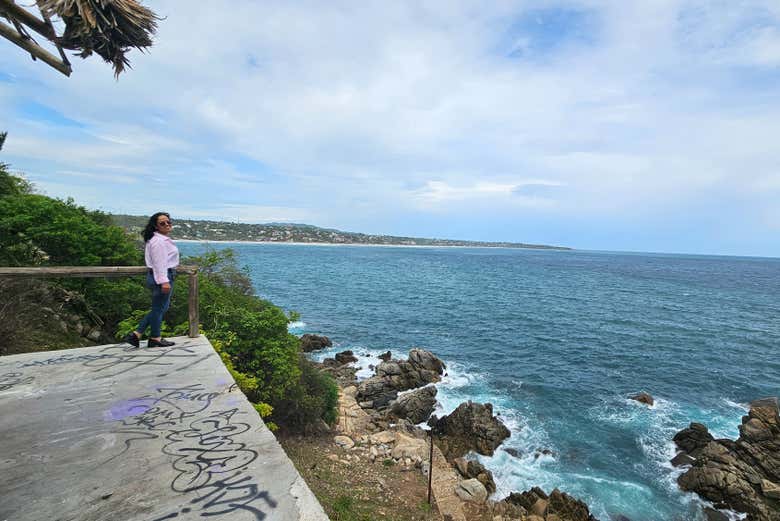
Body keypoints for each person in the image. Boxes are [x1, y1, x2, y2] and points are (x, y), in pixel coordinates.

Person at [122, 212, 180, 348]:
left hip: (162, 276)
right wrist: (164, 281)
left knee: (159, 308)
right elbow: (159, 263)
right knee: (158, 309)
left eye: (168, 222)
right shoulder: (158, 242)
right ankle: (154, 337)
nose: (167, 224)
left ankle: (137, 334)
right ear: (155, 226)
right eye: (162, 223)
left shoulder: (158, 239)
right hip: (162, 276)